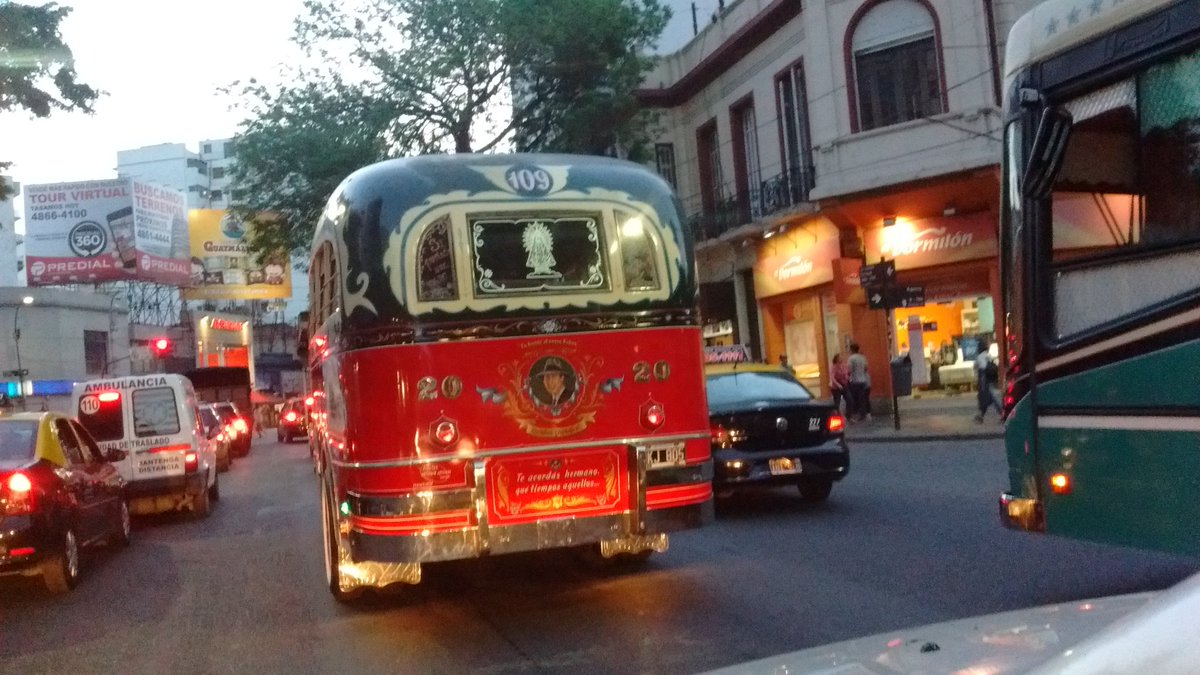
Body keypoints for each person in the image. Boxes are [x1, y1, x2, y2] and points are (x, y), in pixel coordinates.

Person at [974, 338, 1002, 422]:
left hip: (984, 380)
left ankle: (1002, 414)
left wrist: (981, 382)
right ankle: (980, 416)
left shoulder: (980, 357)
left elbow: (982, 368)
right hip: (990, 379)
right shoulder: (988, 355)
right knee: (986, 398)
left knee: (987, 398)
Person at [847, 342, 871, 422]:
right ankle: (863, 414)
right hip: (863, 380)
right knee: (862, 398)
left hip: (854, 380)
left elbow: (849, 370)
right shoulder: (862, 357)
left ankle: (856, 414)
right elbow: (866, 368)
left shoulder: (851, 358)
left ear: (851, 349)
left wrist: (848, 377)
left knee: (854, 398)